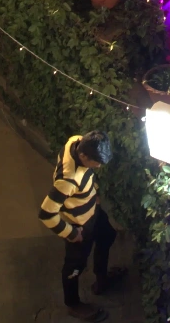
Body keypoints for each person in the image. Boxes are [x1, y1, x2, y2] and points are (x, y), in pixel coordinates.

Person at [39, 130, 121, 320]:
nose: (99, 166)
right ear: (83, 156)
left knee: (108, 235)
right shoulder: (67, 180)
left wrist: (94, 192)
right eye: (96, 162)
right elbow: (46, 213)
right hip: (79, 225)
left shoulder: (76, 141)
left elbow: (88, 174)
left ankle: (101, 280)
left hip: (92, 211)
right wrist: (71, 233)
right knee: (74, 267)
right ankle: (73, 303)